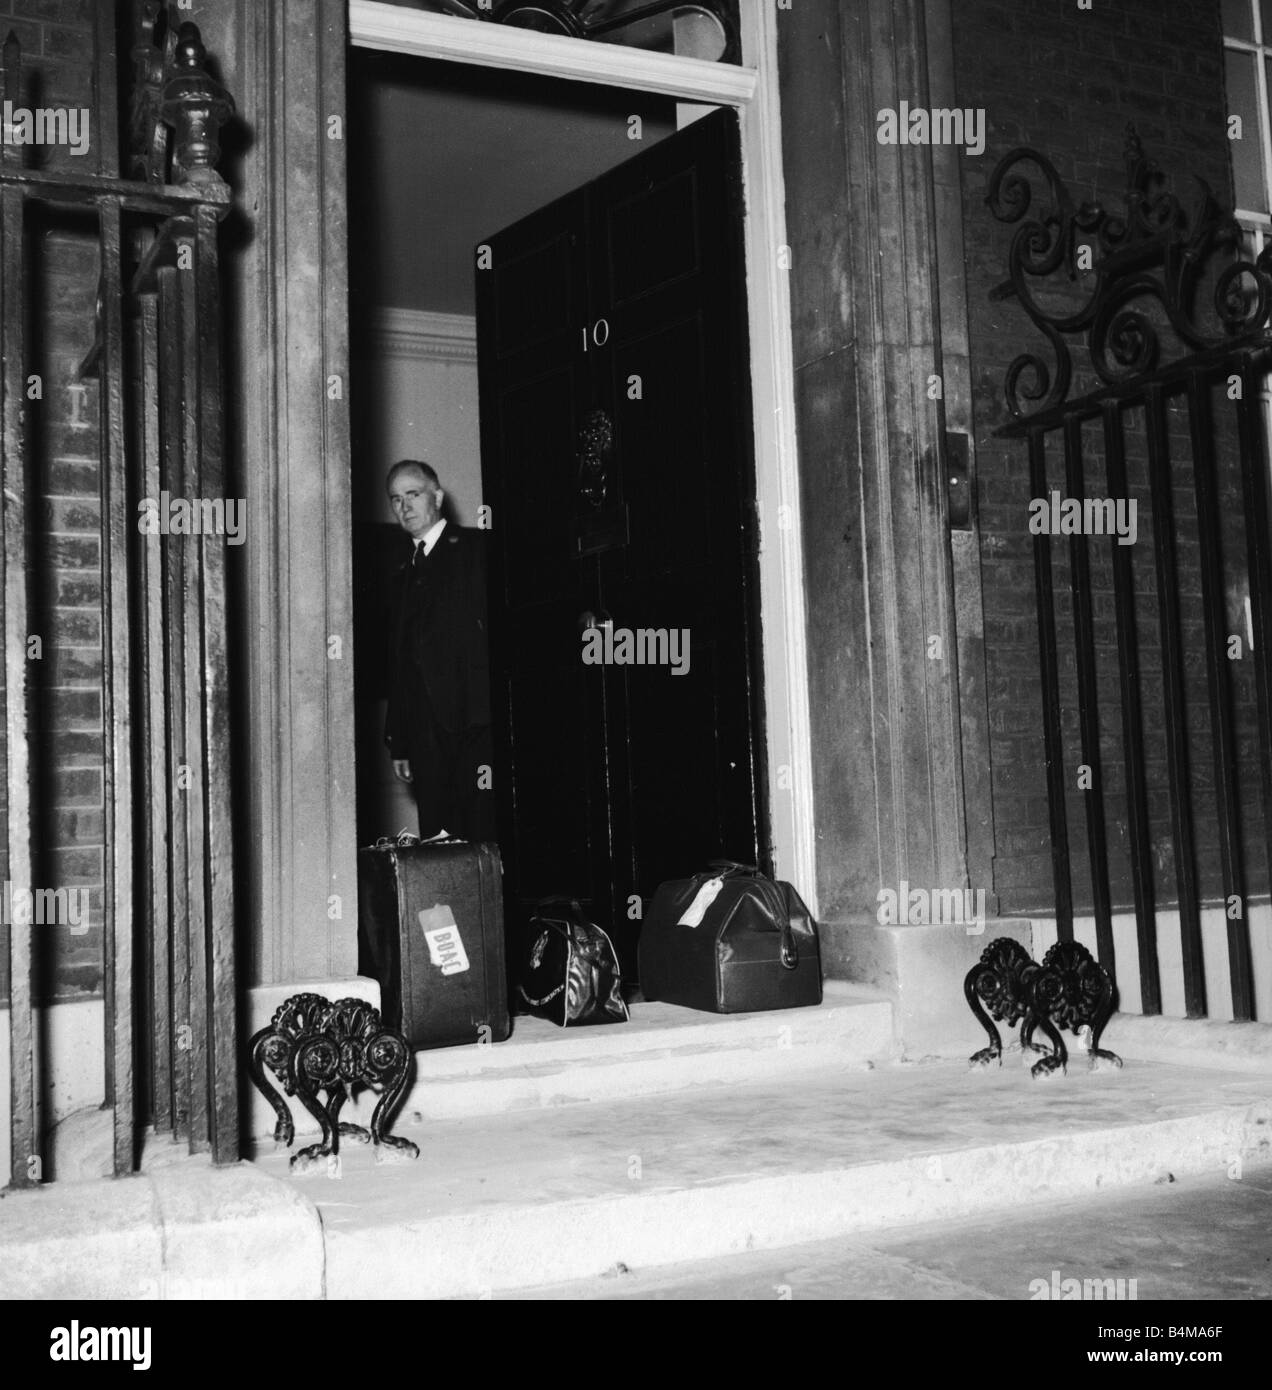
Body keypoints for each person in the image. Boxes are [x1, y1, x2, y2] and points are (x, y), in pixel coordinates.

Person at [384, 459, 495, 843]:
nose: (404, 507)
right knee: (436, 840)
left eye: (412, 494)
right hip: (423, 734)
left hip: (474, 725)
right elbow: (400, 662)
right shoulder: (400, 572)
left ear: (438, 497)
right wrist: (399, 739)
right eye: (396, 499)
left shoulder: (476, 550)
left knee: (481, 833)